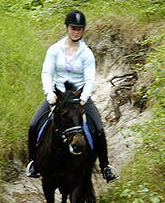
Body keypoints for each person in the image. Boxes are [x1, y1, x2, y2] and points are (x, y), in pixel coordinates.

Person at [26, 10, 118, 183]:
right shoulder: (55, 49)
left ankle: (105, 167)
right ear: (67, 28)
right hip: (58, 97)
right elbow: (47, 72)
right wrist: (49, 93)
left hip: (79, 99)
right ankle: (33, 162)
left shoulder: (86, 53)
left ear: (82, 31)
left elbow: (90, 78)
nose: (76, 32)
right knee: (33, 124)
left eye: (79, 29)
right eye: (73, 28)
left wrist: (84, 98)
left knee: (98, 129)